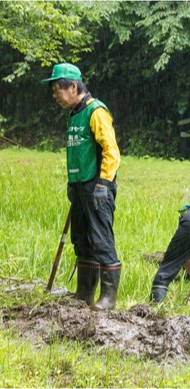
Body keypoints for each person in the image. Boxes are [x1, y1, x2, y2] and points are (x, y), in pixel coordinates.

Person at [42, 63, 121, 310]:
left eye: (57, 89)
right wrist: (71, 184)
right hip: (79, 189)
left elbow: (112, 151)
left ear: (73, 86)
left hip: (97, 188)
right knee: (81, 240)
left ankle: (108, 298)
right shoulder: (74, 114)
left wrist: (104, 183)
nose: (54, 95)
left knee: (101, 240)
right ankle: (84, 294)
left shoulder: (96, 112)